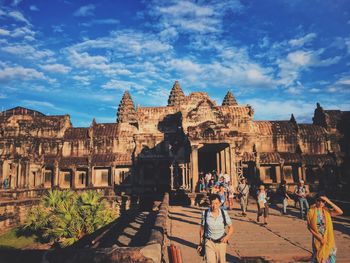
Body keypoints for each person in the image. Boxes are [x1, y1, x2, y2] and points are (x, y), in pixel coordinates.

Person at [198, 194, 234, 263]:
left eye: (216, 203)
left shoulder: (224, 213)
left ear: (220, 203)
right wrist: (200, 243)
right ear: (209, 203)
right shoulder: (205, 213)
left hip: (221, 243)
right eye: (212, 203)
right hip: (209, 242)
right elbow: (202, 229)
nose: (214, 206)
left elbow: (231, 228)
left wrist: (227, 237)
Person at [307, 194, 343, 263]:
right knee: (319, 257)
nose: (320, 203)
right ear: (315, 200)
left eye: (323, 201)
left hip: (329, 239)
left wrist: (329, 201)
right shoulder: (311, 212)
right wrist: (318, 237)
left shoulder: (327, 211)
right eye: (318, 200)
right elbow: (309, 227)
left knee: (330, 256)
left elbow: (340, 212)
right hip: (318, 238)